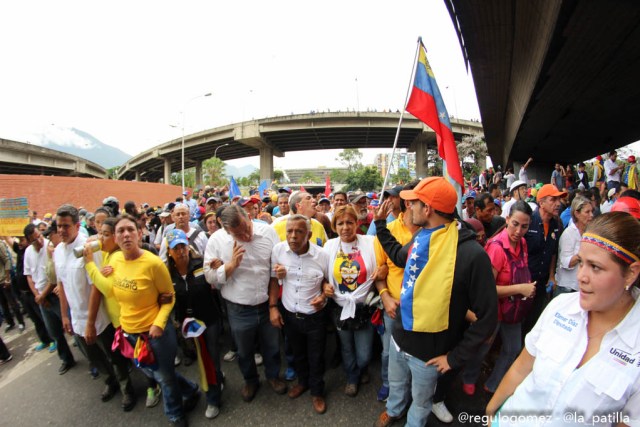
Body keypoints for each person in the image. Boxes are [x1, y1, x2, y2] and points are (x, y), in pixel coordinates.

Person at [486, 212, 640, 426]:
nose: (581, 277)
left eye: (595, 267)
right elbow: (522, 367)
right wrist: (491, 412)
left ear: (631, 273)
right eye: (582, 263)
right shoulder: (560, 307)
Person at [373, 177, 498, 427]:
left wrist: (453, 358)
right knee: (397, 385)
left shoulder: (472, 254)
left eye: (413, 203)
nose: (409, 208)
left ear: (427, 209)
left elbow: (488, 318)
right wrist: (379, 224)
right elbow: (399, 256)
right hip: (400, 338)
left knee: (421, 403)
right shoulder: (423, 237)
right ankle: (395, 410)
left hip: (430, 355)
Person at [87, 214, 199, 426]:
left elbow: (169, 297)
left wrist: (159, 322)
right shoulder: (115, 260)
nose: (126, 234)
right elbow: (110, 290)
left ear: (140, 234)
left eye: (131, 229)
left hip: (156, 334)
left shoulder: (153, 263)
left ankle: (175, 414)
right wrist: (91, 266)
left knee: (164, 377)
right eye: (120, 231)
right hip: (129, 333)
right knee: (158, 373)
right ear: (116, 238)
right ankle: (190, 389)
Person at [54, 205, 135, 408]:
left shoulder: (90, 248)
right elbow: (61, 285)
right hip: (76, 317)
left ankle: (127, 389)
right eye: (58, 226)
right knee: (94, 357)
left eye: (66, 226)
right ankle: (111, 381)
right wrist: (65, 315)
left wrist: (90, 322)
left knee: (113, 355)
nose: (62, 230)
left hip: (97, 317)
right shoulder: (58, 252)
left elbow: (97, 286)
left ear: (76, 225)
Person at [203, 204, 286, 403]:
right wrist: (230, 266)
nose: (246, 236)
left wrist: (274, 305)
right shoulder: (217, 241)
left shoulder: (268, 233)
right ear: (227, 231)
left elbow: (275, 272)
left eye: (246, 229)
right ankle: (250, 380)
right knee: (244, 350)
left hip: (267, 304)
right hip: (238, 308)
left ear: (248, 216)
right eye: (239, 235)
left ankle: (273, 376)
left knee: (272, 346)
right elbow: (209, 276)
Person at [465, 201, 536, 394]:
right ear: (507, 220)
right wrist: (520, 288)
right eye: (515, 224)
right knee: (483, 347)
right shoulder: (496, 248)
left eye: (525, 226)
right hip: (494, 308)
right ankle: (469, 377)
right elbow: (488, 289)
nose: (519, 231)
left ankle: (494, 383)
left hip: (514, 309)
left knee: (513, 348)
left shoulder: (522, 243)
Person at [269, 214, 330, 414]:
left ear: (309, 234)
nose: (293, 236)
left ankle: (317, 392)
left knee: (316, 357)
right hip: (290, 315)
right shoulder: (278, 251)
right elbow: (272, 281)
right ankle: (302, 383)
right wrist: (273, 307)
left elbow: (328, 284)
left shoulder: (323, 255)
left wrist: (324, 296)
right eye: (289, 231)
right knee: (297, 354)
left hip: (315, 317)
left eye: (299, 231)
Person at [165, 229, 223, 420]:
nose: (181, 251)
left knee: (211, 356)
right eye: (176, 248)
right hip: (189, 326)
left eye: (183, 246)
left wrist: (218, 268)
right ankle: (216, 378)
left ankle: (213, 398)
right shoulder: (166, 273)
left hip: (210, 319)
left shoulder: (201, 264)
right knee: (203, 359)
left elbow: (217, 283)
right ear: (169, 252)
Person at [322, 205, 378, 397]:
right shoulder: (329, 246)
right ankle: (352, 377)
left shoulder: (371, 242)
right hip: (339, 308)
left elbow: (383, 265)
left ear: (356, 223)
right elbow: (320, 274)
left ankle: (362, 368)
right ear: (334, 226)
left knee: (364, 354)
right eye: (340, 223)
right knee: (346, 347)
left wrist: (384, 270)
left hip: (364, 308)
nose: (345, 227)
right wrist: (324, 286)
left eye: (349, 222)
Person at [522, 184, 565, 337]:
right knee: (519, 320)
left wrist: (551, 275)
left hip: (542, 282)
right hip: (525, 281)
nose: (558, 203)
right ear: (541, 203)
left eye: (559, 199)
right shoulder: (528, 221)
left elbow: (553, 252)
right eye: (553, 200)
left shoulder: (556, 224)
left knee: (534, 320)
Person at [554, 195, 594, 296]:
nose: (591, 215)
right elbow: (566, 262)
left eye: (591, 211)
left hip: (580, 287)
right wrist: (583, 254)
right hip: (567, 288)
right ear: (577, 213)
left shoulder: (588, 233)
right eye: (587, 212)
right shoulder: (569, 234)